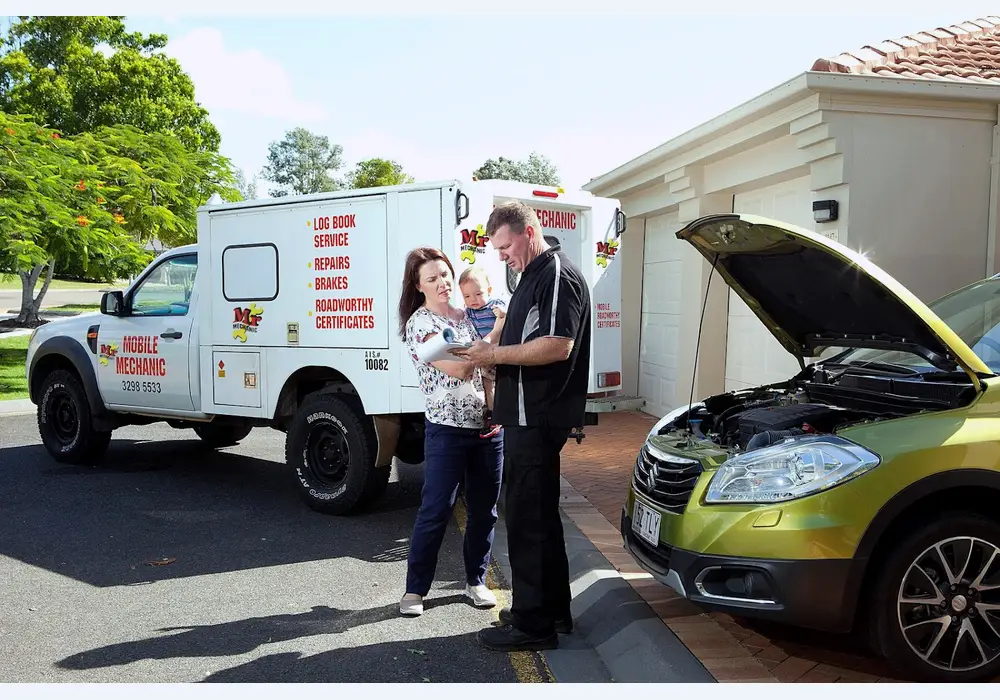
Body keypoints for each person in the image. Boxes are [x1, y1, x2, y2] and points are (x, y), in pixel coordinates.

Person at [453, 200, 591, 652]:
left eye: (505, 246)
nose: (501, 256)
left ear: (529, 233)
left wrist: (492, 355)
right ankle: (552, 612)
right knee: (540, 518)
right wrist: (497, 362)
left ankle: (534, 626)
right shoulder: (533, 274)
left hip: (537, 417)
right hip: (526, 416)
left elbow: (556, 345)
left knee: (529, 521)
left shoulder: (556, 274)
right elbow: (527, 341)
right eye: (497, 249)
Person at [397, 247, 504, 618]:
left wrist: (490, 349)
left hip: (488, 427)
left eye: (445, 274)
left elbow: (492, 359)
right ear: (418, 285)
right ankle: (415, 590)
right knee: (436, 510)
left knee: (484, 510)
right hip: (446, 430)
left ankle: (476, 581)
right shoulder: (420, 325)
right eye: (432, 278)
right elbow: (459, 369)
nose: (442, 282)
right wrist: (492, 342)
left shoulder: (469, 316)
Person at [458, 266, 506, 438]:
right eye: (467, 296)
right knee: (486, 383)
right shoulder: (468, 312)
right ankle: (490, 412)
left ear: (489, 290)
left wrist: (501, 313)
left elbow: (505, 312)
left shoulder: (494, 305)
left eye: (478, 294)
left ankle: (495, 415)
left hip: (497, 351)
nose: (473, 300)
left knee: (492, 383)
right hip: (482, 355)